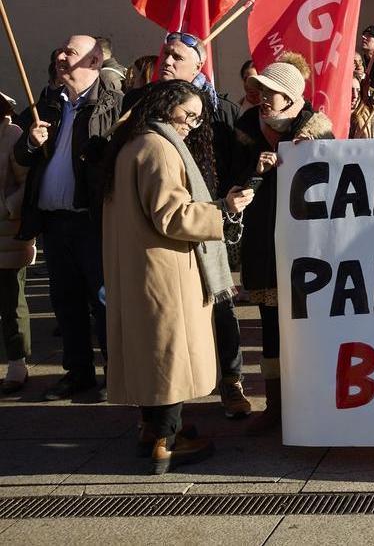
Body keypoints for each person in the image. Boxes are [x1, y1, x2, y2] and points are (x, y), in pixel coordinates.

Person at [101, 79, 254, 473]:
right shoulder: (159, 148)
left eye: (198, 118)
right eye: (188, 114)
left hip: (139, 268)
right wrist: (224, 209)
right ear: (165, 106)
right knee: (170, 355)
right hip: (166, 270)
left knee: (151, 354)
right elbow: (171, 215)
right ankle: (166, 442)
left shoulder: (130, 143)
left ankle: (152, 431)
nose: (191, 124)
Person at [120, 32, 251, 419]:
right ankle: (163, 415)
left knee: (221, 306)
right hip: (166, 229)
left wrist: (226, 205)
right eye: (165, 54)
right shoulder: (138, 104)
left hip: (209, 222)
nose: (167, 61)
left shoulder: (220, 109)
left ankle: (231, 382)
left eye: (177, 56)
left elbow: (237, 161)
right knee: (169, 323)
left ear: (199, 64)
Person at [16, 35, 122, 401]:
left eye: (70, 52)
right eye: (60, 50)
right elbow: (21, 155)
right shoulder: (47, 103)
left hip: (92, 223)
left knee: (103, 301)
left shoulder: (112, 105)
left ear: (94, 62)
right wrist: (30, 142)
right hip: (53, 223)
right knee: (66, 302)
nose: (61, 56)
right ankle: (78, 374)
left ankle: (117, 373)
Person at [235, 52, 334, 434]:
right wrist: (255, 172)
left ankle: (313, 404)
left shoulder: (317, 130)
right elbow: (232, 182)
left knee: (308, 330)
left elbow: (337, 186)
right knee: (271, 328)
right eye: (260, 91)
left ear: (291, 97)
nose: (263, 98)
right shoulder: (246, 129)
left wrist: (316, 153)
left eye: (271, 92)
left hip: (308, 250)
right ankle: (275, 408)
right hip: (263, 244)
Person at [0, 94, 34, 394]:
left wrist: (8, 207)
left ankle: (17, 363)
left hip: (6, 235)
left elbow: (27, 182)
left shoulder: (12, 135)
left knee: (12, 302)